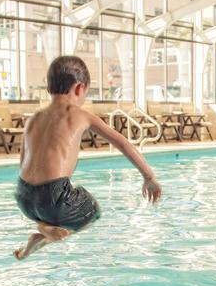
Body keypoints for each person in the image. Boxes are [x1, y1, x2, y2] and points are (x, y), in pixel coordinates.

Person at [13, 55, 162, 260]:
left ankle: (41, 232)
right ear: (79, 88)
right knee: (93, 212)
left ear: (48, 88)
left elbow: (23, 160)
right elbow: (123, 143)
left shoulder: (34, 118)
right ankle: (46, 232)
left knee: (56, 215)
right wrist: (149, 177)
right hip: (53, 199)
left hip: (23, 197)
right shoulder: (81, 115)